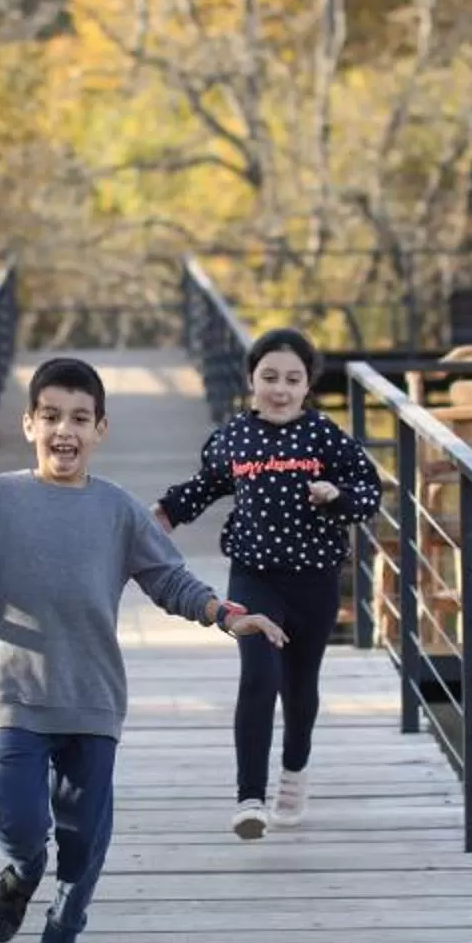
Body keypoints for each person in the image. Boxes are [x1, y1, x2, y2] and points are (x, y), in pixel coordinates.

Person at [0, 356, 286, 943]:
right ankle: (22, 873)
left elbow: (167, 578)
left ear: (101, 429)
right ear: (29, 423)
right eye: (51, 416)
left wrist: (223, 613)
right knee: (20, 826)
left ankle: (61, 941)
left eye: (80, 419)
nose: (65, 430)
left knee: (84, 840)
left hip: (91, 698)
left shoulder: (117, 510)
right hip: (10, 696)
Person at [155, 327, 384, 839]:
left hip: (316, 580)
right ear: (252, 380)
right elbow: (205, 486)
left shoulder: (325, 435)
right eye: (269, 377)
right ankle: (249, 798)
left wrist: (336, 495)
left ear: (308, 386)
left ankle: (294, 772)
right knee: (259, 678)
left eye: (293, 379)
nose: (280, 389)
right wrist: (162, 515)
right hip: (254, 576)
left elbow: (370, 492)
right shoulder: (234, 436)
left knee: (300, 688)